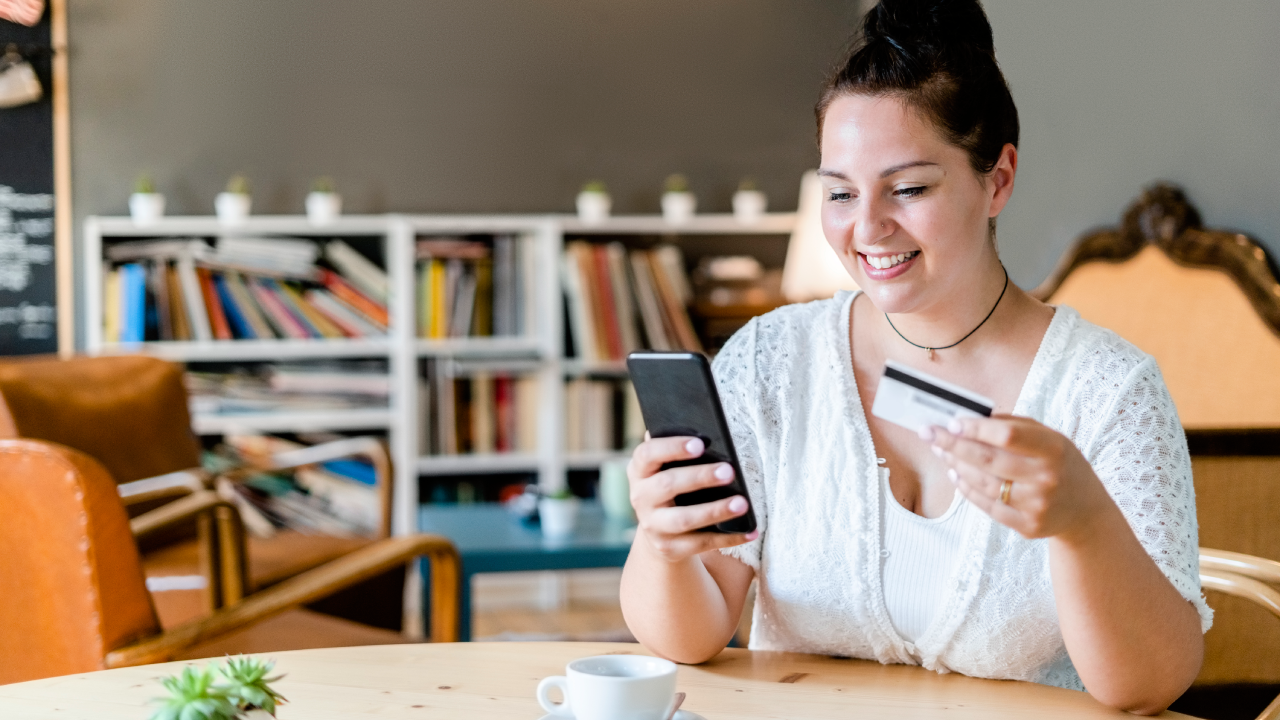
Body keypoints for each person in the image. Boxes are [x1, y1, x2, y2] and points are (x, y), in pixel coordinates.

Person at [619, 0, 1210, 713]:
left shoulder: (1109, 390)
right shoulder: (772, 362)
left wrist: (1083, 523)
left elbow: (1152, 687)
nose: (867, 228)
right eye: (839, 192)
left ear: (998, 181)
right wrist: (662, 540)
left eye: (908, 188)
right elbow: (692, 636)